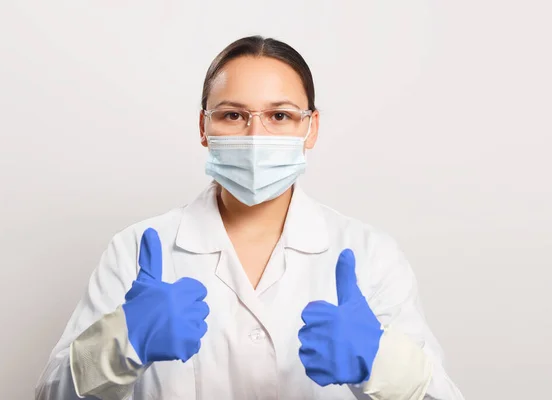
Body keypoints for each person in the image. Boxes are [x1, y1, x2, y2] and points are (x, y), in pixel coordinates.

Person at [35, 36, 465, 400]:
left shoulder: (370, 253)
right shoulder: (137, 248)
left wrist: (381, 363)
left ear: (310, 128)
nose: (256, 135)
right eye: (233, 115)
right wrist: (120, 342)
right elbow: (49, 393)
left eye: (280, 115)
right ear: (204, 128)